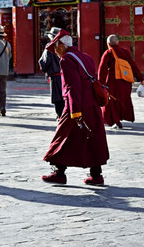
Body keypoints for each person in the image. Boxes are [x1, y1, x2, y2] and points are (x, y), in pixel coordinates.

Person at [42, 30, 109, 186]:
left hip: (77, 104)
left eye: (55, 47)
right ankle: (96, 175)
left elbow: (72, 87)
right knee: (91, 138)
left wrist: (75, 111)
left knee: (62, 137)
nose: (55, 52)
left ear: (62, 45)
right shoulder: (86, 57)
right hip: (92, 104)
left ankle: (59, 173)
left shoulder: (66, 60)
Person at [98, 34, 144, 129]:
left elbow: (102, 69)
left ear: (108, 43)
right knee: (123, 100)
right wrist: (140, 78)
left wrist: (100, 83)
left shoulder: (108, 53)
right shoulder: (125, 52)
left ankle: (116, 121)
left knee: (112, 100)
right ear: (118, 42)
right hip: (125, 81)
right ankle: (121, 117)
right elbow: (133, 65)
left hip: (113, 81)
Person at [38, 27, 65, 119]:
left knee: (57, 99)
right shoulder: (64, 46)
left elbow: (44, 62)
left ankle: (60, 115)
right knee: (65, 97)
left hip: (55, 76)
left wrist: (45, 70)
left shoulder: (49, 48)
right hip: (65, 75)